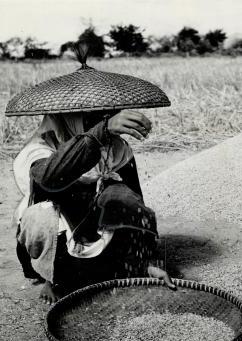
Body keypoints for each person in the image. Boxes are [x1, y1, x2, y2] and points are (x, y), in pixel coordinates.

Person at [14, 109, 175, 304]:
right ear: (67, 117)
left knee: (121, 196)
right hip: (59, 235)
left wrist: (148, 261)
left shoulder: (115, 148)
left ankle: (123, 264)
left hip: (92, 226)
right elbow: (50, 178)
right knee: (42, 217)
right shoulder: (40, 149)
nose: (99, 120)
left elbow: (136, 205)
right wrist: (100, 131)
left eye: (104, 115)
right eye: (89, 117)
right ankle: (50, 278)